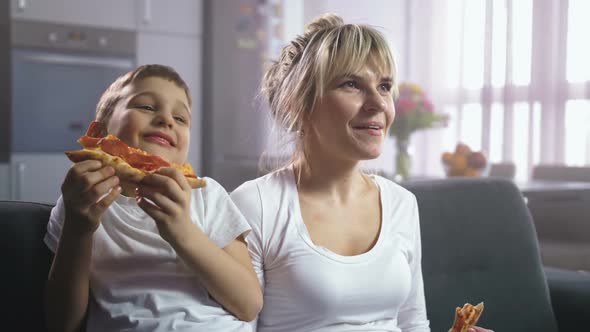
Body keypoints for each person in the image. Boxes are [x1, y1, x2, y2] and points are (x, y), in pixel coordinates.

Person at [231, 14, 493, 332]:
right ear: (300, 104)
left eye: (384, 86)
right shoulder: (255, 205)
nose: (378, 103)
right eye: (352, 84)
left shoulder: (401, 203)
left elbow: (412, 323)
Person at [44, 64, 262, 332]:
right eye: (147, 107)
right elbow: (63, 323)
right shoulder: (81, 202)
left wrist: (182, 231)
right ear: (98, 133)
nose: (166, 120)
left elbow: (249, 304)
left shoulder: (207, 195)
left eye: (181, 119)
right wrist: (78, 229)